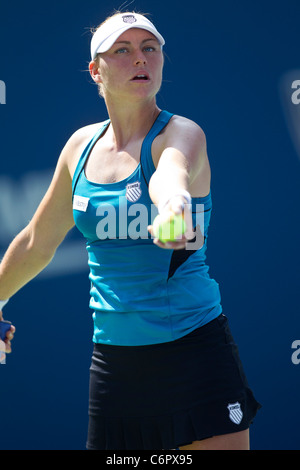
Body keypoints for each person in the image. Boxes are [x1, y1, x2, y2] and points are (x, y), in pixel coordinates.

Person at [0, 11, 261, 450]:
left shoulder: (181, 133)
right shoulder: (79, 148)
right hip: (115, 367)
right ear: (95, 71)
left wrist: (174, 207)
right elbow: (34, 242)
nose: (140, 58)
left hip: (195, 354)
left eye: (149, 49)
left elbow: (171, 176)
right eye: (122, 50)